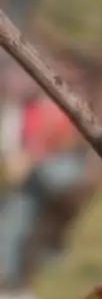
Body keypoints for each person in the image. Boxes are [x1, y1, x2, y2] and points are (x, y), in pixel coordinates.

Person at [0, 95, 89, 289]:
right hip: (32, 174)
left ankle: (39, 262)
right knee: (15, 213)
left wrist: (33, 157)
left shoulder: (64, 104)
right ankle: (10, 272)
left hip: (60, 167)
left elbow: (70, 141)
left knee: (30, 205)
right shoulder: (22, 110)